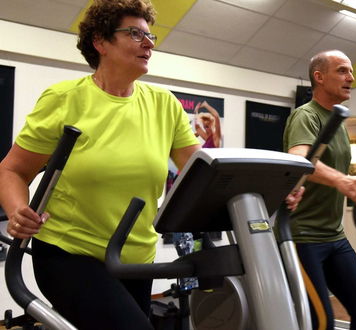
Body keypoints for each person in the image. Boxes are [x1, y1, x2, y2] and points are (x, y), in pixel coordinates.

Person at [0, 1, 303, 328]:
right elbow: (12, 170)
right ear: (100, 42)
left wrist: (269, 194)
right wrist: (18, 210)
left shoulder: (164, 105)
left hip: (137, 259)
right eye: (135, 34)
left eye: (150, 36)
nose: (149, 43)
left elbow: (206, 174)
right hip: (70, 254)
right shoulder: (63, 99)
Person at [283, 50, 356, 330]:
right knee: (322, 321)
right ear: (319, 77)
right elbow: (300, 160)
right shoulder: (305, 116)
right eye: (342, 71)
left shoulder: (339, 123)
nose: (351, 78)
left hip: (334, 236)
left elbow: (340, 175)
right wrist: (344, 182)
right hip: (303, 237)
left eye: (351, 71)